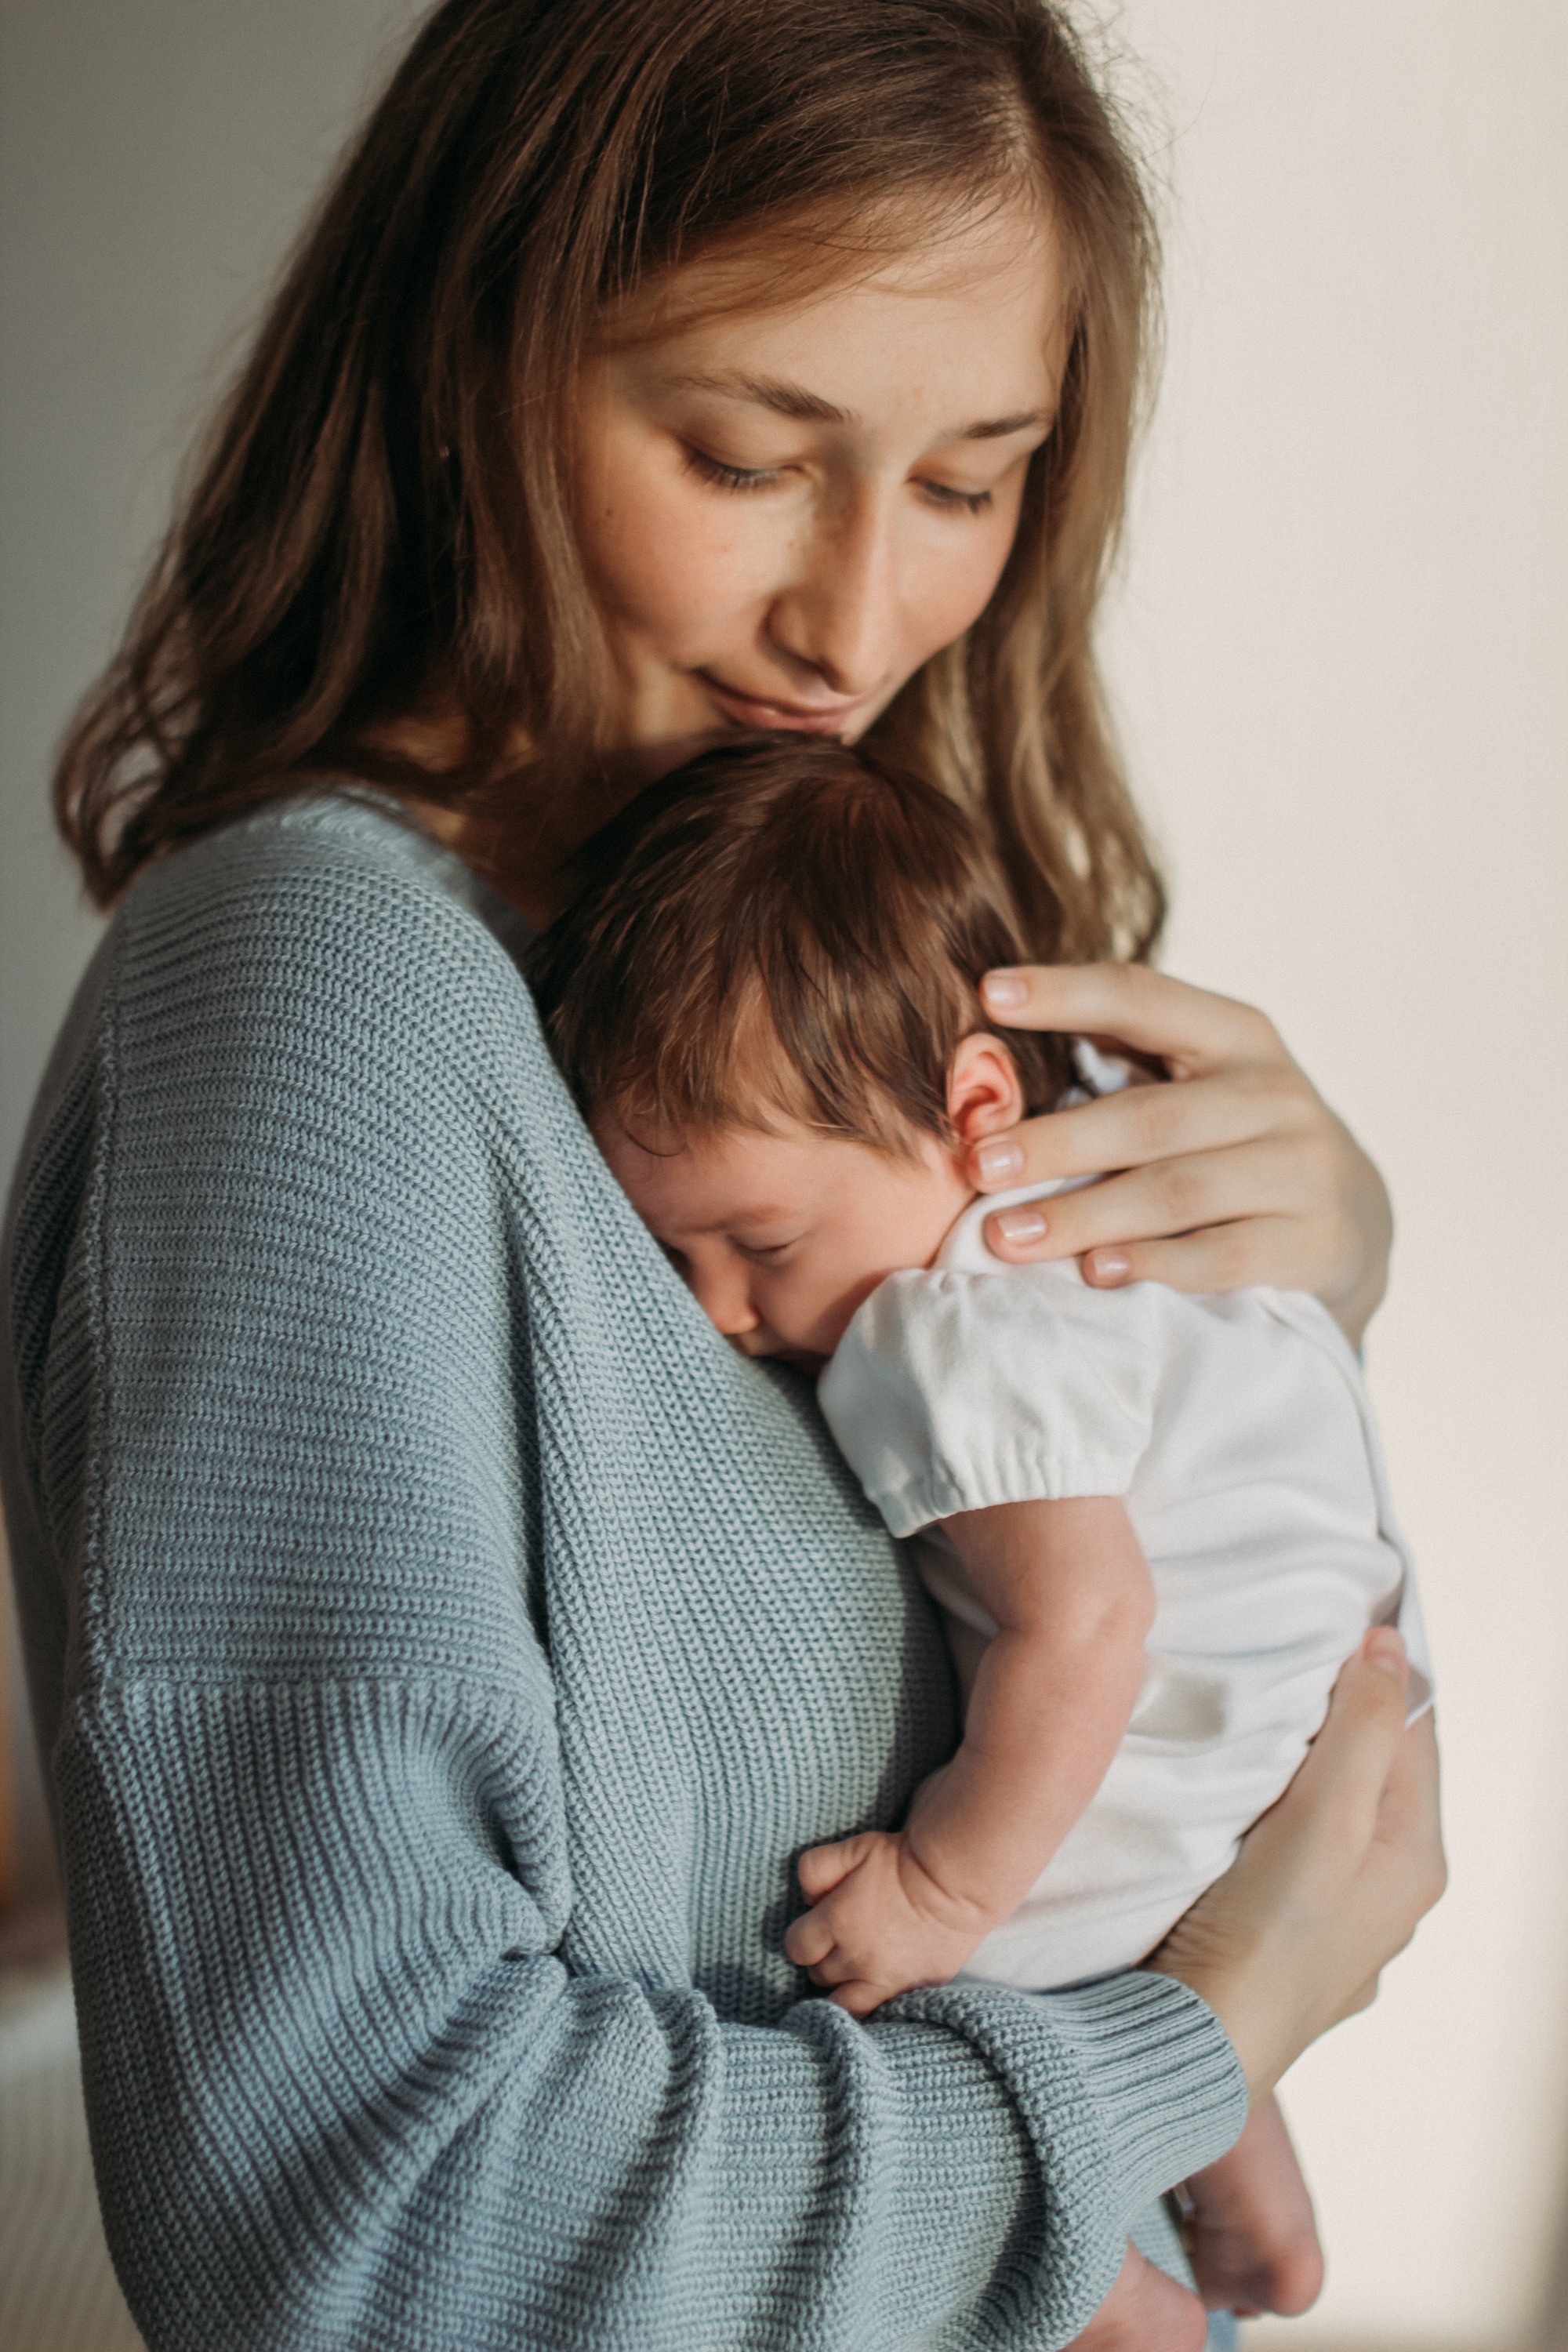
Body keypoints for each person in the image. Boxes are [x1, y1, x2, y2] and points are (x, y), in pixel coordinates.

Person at [0, 3, 1443, 2347]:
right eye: (748, 455)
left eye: (971, 482)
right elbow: (364, 2226)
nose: (854, 626)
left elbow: (1328, 1779)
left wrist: (1315, 1305)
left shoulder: (857, 965)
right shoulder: (317, 1000)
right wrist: (1192, 2044)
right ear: (482, 358)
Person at [526, 731, 1439, 2321]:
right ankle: (1258, 2204)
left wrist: (941, 1892)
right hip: (1320, 1710)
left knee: (918, 2028)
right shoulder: (1121, 1240)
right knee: (1138, 1957)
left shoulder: (941, 1329)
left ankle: (1108, 2311)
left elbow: (1080, 1622)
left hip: (1191, 1746)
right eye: (675, 1263)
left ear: (972, 1106)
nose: (725, 1316)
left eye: (760, 1241)